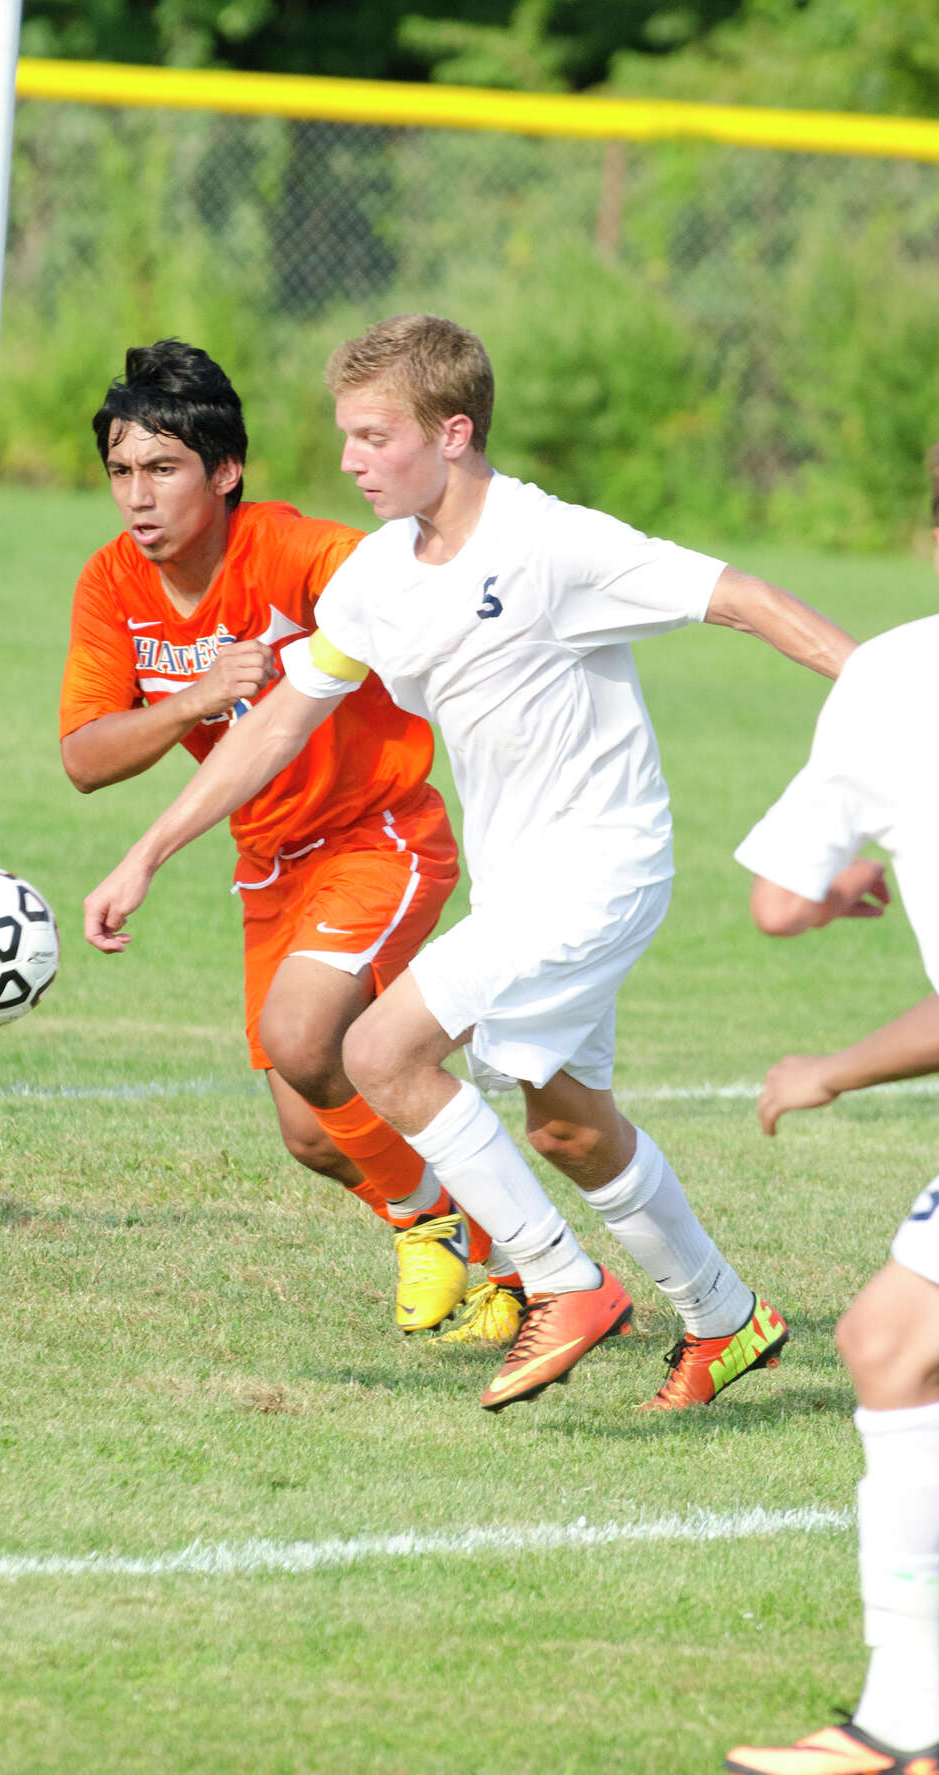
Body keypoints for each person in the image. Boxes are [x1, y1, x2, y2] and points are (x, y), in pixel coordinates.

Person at [83, 314, 855, 1413]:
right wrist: (148, 849)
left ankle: (559, 1281)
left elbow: (742, 597)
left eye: (373, 436)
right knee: (568, 1125)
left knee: (381, 1047)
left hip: (602, 868)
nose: (350, 461)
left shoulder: (556, 545)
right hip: (522, 882)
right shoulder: (379, 577)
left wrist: (888, 694)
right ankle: (728, 1317)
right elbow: (278, 723)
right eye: (343, 436)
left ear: (452, 432)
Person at [60, 338, 522, 1342]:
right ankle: (498, 1253)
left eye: (164, 468)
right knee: (312, 1132)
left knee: (305, 1036)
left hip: (380, 834)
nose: (138, 496)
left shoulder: (302, 552)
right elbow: (87, 756)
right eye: (122, 472)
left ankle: (434, 1218)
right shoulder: (111, 585)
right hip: (268, 862)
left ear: (224, 473)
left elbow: (421, 574)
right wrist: (195, 696)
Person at [725, 463, 939, 1774]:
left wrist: (827, 1068)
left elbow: (777, 901)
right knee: (894, 1341)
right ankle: (906, 1720)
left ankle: (905, 1720)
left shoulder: (892, 682)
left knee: (896, 1344)